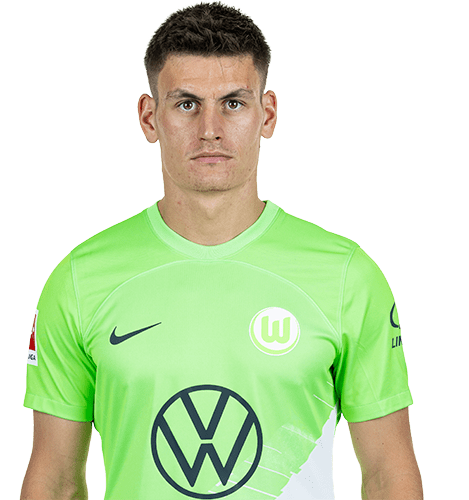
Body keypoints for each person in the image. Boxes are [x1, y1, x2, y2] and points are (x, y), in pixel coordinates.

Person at [21, 2, 423, 499]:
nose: (209, 129)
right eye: (186, 104)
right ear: (149, 117)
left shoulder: (346, 276)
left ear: (266, 114)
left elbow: (387, 474)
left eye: (233, 103)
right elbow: (56, 480)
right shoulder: (80, 280)